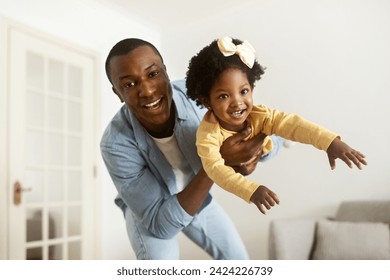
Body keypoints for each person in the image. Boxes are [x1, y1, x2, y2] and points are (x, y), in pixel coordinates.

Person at [100, 38, 283, 260]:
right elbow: (162, 227)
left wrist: (255, 154)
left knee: (239, 261)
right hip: (151, 212)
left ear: (166, 72)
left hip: (197, 197)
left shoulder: (199, 94)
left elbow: (266, 125)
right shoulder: (115, 144)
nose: (147, 91)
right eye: (129, 84)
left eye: (153, 74)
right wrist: (218, 163)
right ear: (117, 93)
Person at [185, 37, 367, 214]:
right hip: (236, 161)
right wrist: (251, 190)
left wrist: (330, 142)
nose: (237, 102)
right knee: (275, 131)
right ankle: (279, 137)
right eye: (224, 96)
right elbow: (216, 170)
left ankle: (281, 139)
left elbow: (296, 125)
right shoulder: (207, 136)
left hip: (264, 147)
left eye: (244, 91)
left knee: (280, 133)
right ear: (207, 102)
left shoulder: (259, 114)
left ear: (252, 89)